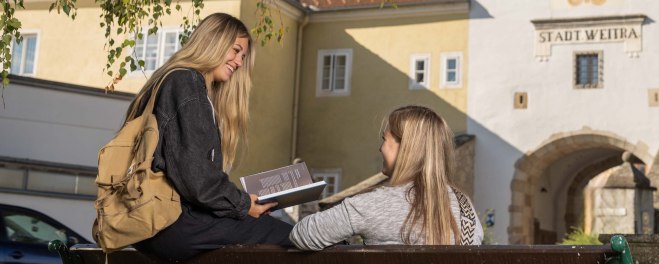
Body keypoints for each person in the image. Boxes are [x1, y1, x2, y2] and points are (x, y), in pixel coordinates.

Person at [129, 13, 292, 261]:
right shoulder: (186, 83)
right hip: (172, 224)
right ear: (213, 42)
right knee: (296, 237)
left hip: (158, 223)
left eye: (243, 56)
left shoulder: (174, 81)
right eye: (235, 50)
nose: (238, 62)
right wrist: (243, 204)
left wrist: (242, 206)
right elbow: (197, 178)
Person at [289, 105, 483, 249]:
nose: (381, 148)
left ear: (406, 148)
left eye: (385, 140)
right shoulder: (464, 207)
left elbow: (302, 235)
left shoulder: (375, 204)